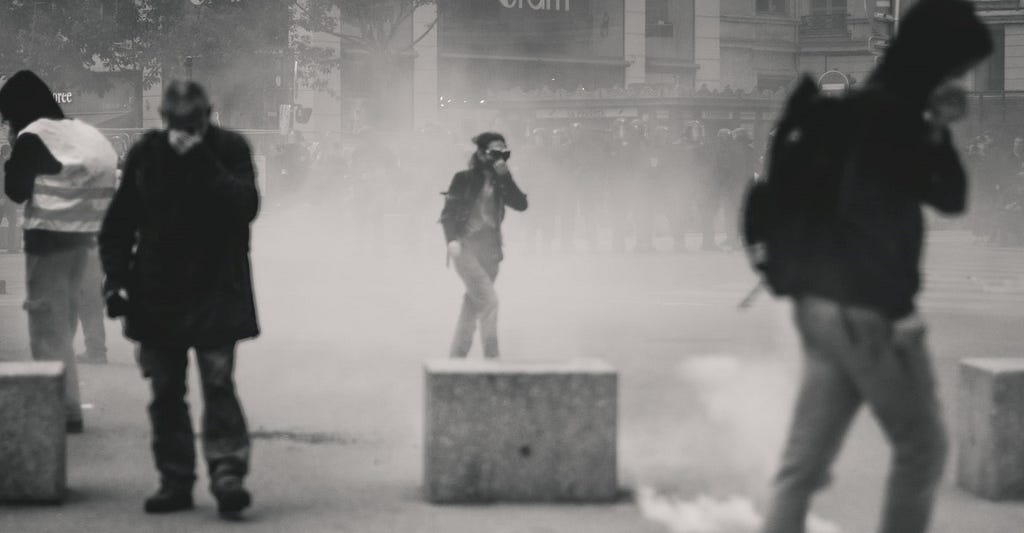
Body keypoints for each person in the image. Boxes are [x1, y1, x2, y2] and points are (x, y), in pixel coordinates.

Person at [759, 2, 993, 533]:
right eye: (955, 67)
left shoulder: (861, 111)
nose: (957, 78)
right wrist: (897, 312)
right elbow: (932, 204)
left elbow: (946, 197)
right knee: (923, 448)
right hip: (863, 312)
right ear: (935, 61)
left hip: (817, 304)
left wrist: (933, 123)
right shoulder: (892, 120)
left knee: (801, 465)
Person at [99, 80, 259, 518]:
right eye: (176, 122)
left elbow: (246, 205)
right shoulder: (148, 154)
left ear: (208, 116)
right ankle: (175, 479)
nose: (184, 130)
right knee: (166, 391)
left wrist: (202, 160)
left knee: (218, 384)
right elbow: (119, 224)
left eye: (193, 122)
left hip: (215, 290)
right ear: (164, 119)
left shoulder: (228, 149)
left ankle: (227, 474)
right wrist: (115, 281)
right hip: (158, 291)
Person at [0, 70, 118, 434]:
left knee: (48, 330)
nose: (6, 122)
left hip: (48, 242)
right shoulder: (84, 132)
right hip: (87, 242)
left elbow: (17, 191)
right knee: (66, 325)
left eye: (6, 116)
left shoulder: (33, 137)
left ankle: (62, 412)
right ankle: (65, 400)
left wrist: (11, 153)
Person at [440, 132, 527, 359]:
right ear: (480, 153)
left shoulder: (500, 180)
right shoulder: (464, 179)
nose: (499, 158)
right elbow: (448, 214)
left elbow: (521, 204)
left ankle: (456, 357)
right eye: (493, 153)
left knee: (473, 305)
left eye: (503, 153)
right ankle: (492, 358)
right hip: (466, 247)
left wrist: (506, 177)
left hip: (491, 252)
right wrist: (451, 240)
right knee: (489, 301)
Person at [0, 142, 23, 253]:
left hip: (10, 199)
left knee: (13, 222)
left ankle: (12, 247)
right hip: (4, 199)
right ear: (6, 153)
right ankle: (12, 247)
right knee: (12, 222)